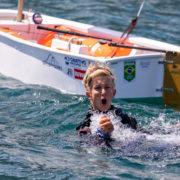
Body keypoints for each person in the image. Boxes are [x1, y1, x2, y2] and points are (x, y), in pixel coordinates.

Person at [76, 62, 138, 144]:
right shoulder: (85, 126)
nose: (103, 92)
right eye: (98, 88)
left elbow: (137, 133)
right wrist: (104, 136)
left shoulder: (122, 115)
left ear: (113, 93)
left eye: (107, 87)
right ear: (89, 95)